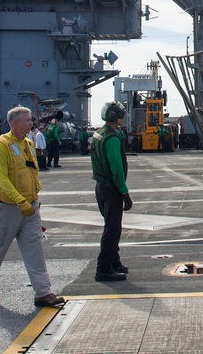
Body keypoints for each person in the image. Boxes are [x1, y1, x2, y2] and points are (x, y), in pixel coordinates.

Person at [0, 107, 65, 307]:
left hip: (30, 208)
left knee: (35, 249)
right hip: (8, 207)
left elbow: (32, 172)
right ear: (15, 123)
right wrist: (19, 200)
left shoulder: (29, 144)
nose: (31, 123)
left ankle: (43, 292)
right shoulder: (1, 145)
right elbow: (2, 179)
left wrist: (32, 199)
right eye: (27, 120)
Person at [91, 101, 133, 282]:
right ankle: (103, 268)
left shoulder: (99, 134)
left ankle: (114, 262)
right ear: (114, 116)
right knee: (112, 230)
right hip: (111, 189)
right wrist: (125, 193)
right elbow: (116, 169)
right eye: (120, 116)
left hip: (100, 187)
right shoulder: (112, 139)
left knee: (111, 226)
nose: (122, 119)